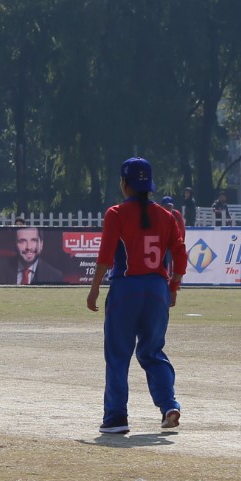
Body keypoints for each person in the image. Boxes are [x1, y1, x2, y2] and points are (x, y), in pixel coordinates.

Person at [86, 157, 187, 435]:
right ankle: (169, 405)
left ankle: (116, 417)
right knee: (152, 351)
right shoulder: (167, 216)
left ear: (124, 184)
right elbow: (179, 254)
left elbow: (106, 256)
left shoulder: (116, 213)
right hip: (157, 290)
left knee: (119, 354)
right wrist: (173, 289)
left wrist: (94, 289)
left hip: (126, 289)